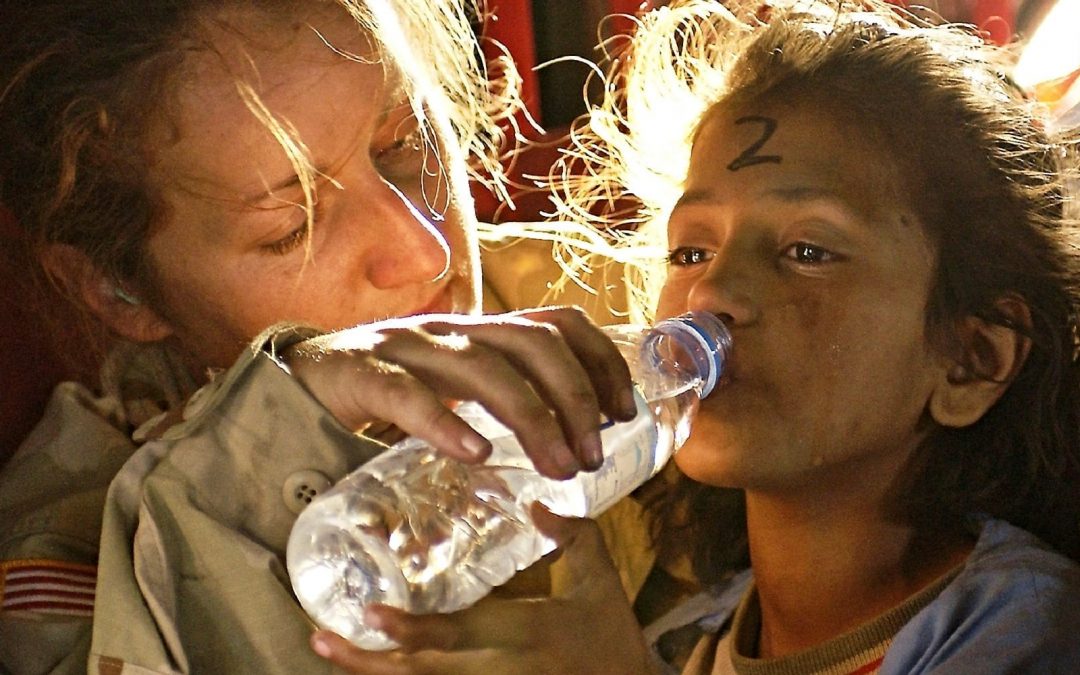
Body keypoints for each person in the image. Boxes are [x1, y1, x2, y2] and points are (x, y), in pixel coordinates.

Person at [310, 0, 1080, 672]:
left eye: (808, 252)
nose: (711, 293)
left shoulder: (1025, 623)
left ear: (972, 360)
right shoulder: (690, 636)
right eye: (690, 250)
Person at [0, 0, 642, 672]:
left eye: (405, 145)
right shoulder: (77, 547)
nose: (425, 252)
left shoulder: (624, 305)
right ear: (114, 289)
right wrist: (274, 445)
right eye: (292, 227)